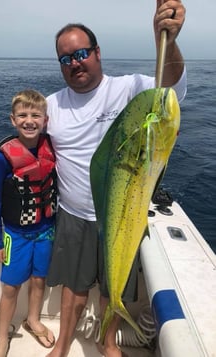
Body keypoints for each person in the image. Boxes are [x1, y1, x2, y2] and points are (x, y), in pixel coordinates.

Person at [46, 1, 186, 356]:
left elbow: (171, 88)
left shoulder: (128, 88)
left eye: (81, 53)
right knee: (74, 288)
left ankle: (108, 342)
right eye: (66, 58)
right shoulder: (51, 106)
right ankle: (63, 343)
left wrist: (164, 42)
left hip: (124, 217)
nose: (75, 62)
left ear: (97, 52)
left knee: (115, 286)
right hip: (75, 215)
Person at [0, 89, 57, 357]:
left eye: (36, 115)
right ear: (13, 120)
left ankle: (33, 320)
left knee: (39, 280)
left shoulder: (51, 147)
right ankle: (3, 337)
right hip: (15, 234)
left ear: (45, 120)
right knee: (11, 287)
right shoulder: (3, 158)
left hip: (46, 230)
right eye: (23, 115)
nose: (30, 120)